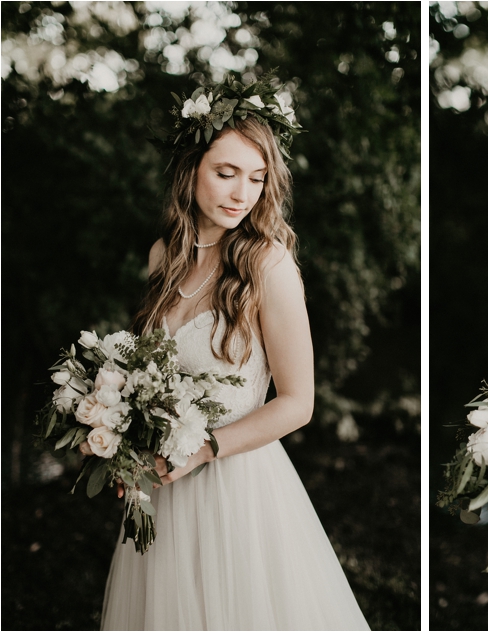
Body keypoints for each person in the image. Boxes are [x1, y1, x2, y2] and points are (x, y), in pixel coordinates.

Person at [84, 75, 370, 630]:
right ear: (190, 171)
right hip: (163, 488)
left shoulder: (269, 266)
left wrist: (206, 450)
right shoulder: (162, 256)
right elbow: (148, 378)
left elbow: (298, 402)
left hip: (238, 488)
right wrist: (123, 439)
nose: (243, 193)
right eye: (226, 173)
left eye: (257, 178)